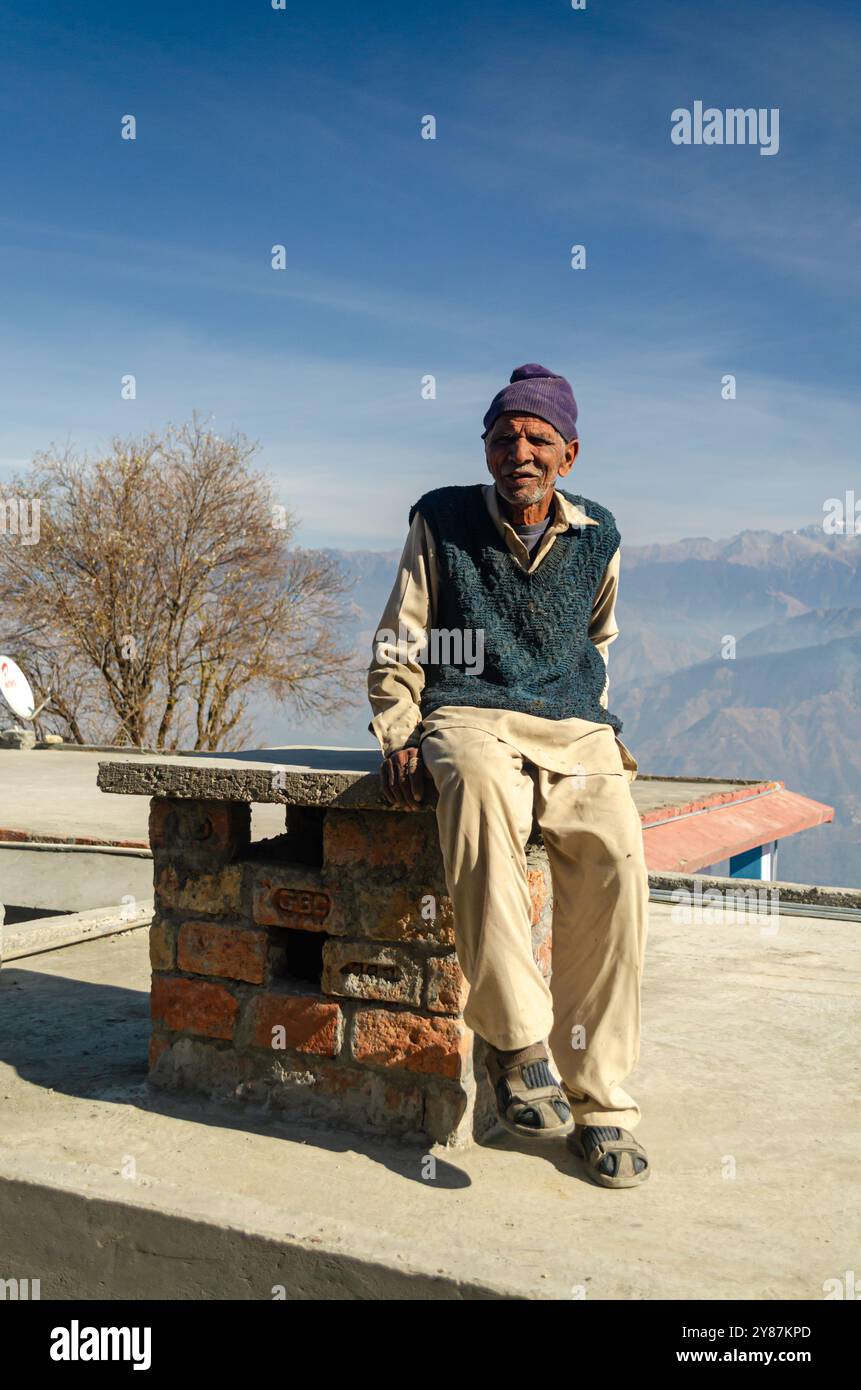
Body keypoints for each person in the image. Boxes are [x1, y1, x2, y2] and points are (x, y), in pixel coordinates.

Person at [367, 364, 650, 1188]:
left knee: (616, 857)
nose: (517, 451)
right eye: (503, 436)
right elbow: (401, 637)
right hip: (466, 712)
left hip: (573, 726)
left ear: (568, 453)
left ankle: (600, 1104)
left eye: (536, 438)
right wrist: (398, 727)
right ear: (485, 446)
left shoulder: (598, 533)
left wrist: (579, 707)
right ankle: (517, 1044)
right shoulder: (442, 517)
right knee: (480, 794)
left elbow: (597, 640)